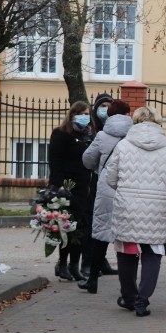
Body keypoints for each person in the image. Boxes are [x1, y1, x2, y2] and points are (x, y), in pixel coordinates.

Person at [103, 106, 166, 317]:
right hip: (156, 210)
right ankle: (142, 301)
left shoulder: (123, 145)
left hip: (127, 208)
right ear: (158, 123)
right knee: (153, 255)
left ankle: (129, 297)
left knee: (127, 254)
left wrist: (126, 190)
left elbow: (110, 178)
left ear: (135, 121)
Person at [79, 99, 133, 293]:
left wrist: (100, 167)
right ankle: (129, 286)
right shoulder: (135, 135)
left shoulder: (102, 135)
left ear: (109, 114)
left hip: (106, 189)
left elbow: (87, 160)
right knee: (128, 237)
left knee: (100, 235)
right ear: (128, 114)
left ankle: (92, 280)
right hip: (129, 189)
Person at [48, 100, 93, 282]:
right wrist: (58, 185)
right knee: (66, 227)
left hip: (84, 188)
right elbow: (54, 161)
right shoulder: (61, 134)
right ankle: (62, 263)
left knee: (81, 228)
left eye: (87, 113)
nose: (85, 117)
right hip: (66, 187)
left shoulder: (88, 135)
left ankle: (75, 264)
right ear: (73, 114)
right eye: (81, 113)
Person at [79, 92, 120, 280]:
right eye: (102, 106)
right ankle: (87, 262)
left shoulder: (115, 129)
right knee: (91, 223)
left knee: (105, 223)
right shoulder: (91, 129)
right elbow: (87, 159)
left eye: (108, 106)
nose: (105, 110)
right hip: (91, 182)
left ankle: (100, 261)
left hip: (107, 181)